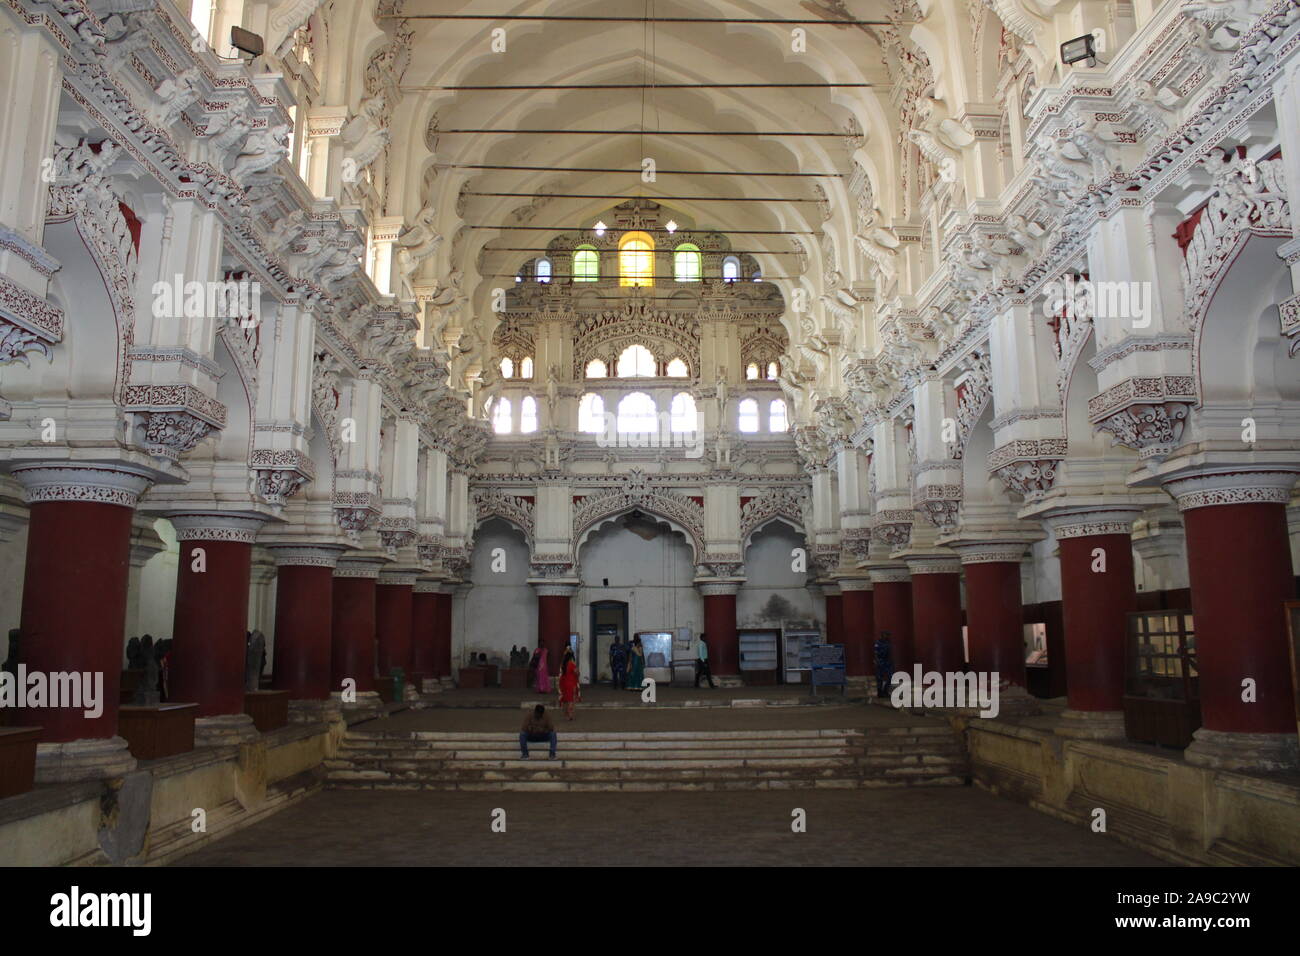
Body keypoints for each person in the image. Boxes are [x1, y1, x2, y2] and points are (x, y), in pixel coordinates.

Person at [558, 653, 580, 719]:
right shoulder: (571, 664)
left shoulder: (563, 665)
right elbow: (577, 673)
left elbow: (560, 675)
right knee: (571, 700)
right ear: (571, 658)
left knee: (565, 700)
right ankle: (570, 715)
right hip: (571, 684)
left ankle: (566, 714)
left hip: (564, 684)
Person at [873, 631, 894, 699]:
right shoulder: (878, 643)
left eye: (888, 635)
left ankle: (885, 691)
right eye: (886, 635)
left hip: (888, 662)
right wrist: (877, 661)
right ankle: (880, 693)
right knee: (879, 678)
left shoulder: (888, 643)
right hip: (880, 661)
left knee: (890, 676)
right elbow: (876, 653)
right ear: (882, 635)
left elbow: (890, 653)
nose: (887, 636)